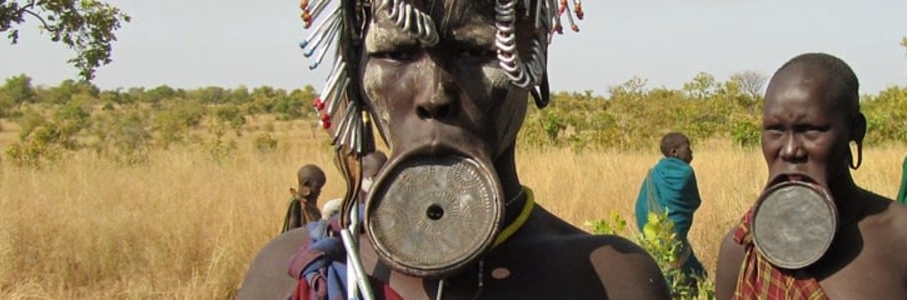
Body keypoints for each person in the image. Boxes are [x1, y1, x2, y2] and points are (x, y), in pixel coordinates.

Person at [238, 1, 670, 299]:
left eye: (474, 51)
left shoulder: (610, 281)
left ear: (534, 61)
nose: (434, 93)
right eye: (397, 53)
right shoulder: (289, 273)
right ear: (353, 73)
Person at [714, 53, 907, 299]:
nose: (790, 150)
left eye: (810, 130)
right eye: (775, 130)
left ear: (855, 129)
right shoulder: (743, 250)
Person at [634, 132, 706, 285]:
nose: (691, 151)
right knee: (694, 275)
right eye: (688, 147)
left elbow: (640, 205)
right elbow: (694, 202)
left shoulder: (654, 172)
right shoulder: (686, 172)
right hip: (675, 235)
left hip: (652, 233)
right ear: (674, 152)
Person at [281, 164, 327, 233]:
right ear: (306, 185)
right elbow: (292, 230)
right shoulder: (296, 203)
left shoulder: (308, 205)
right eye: (317, 187)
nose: (320, 191)